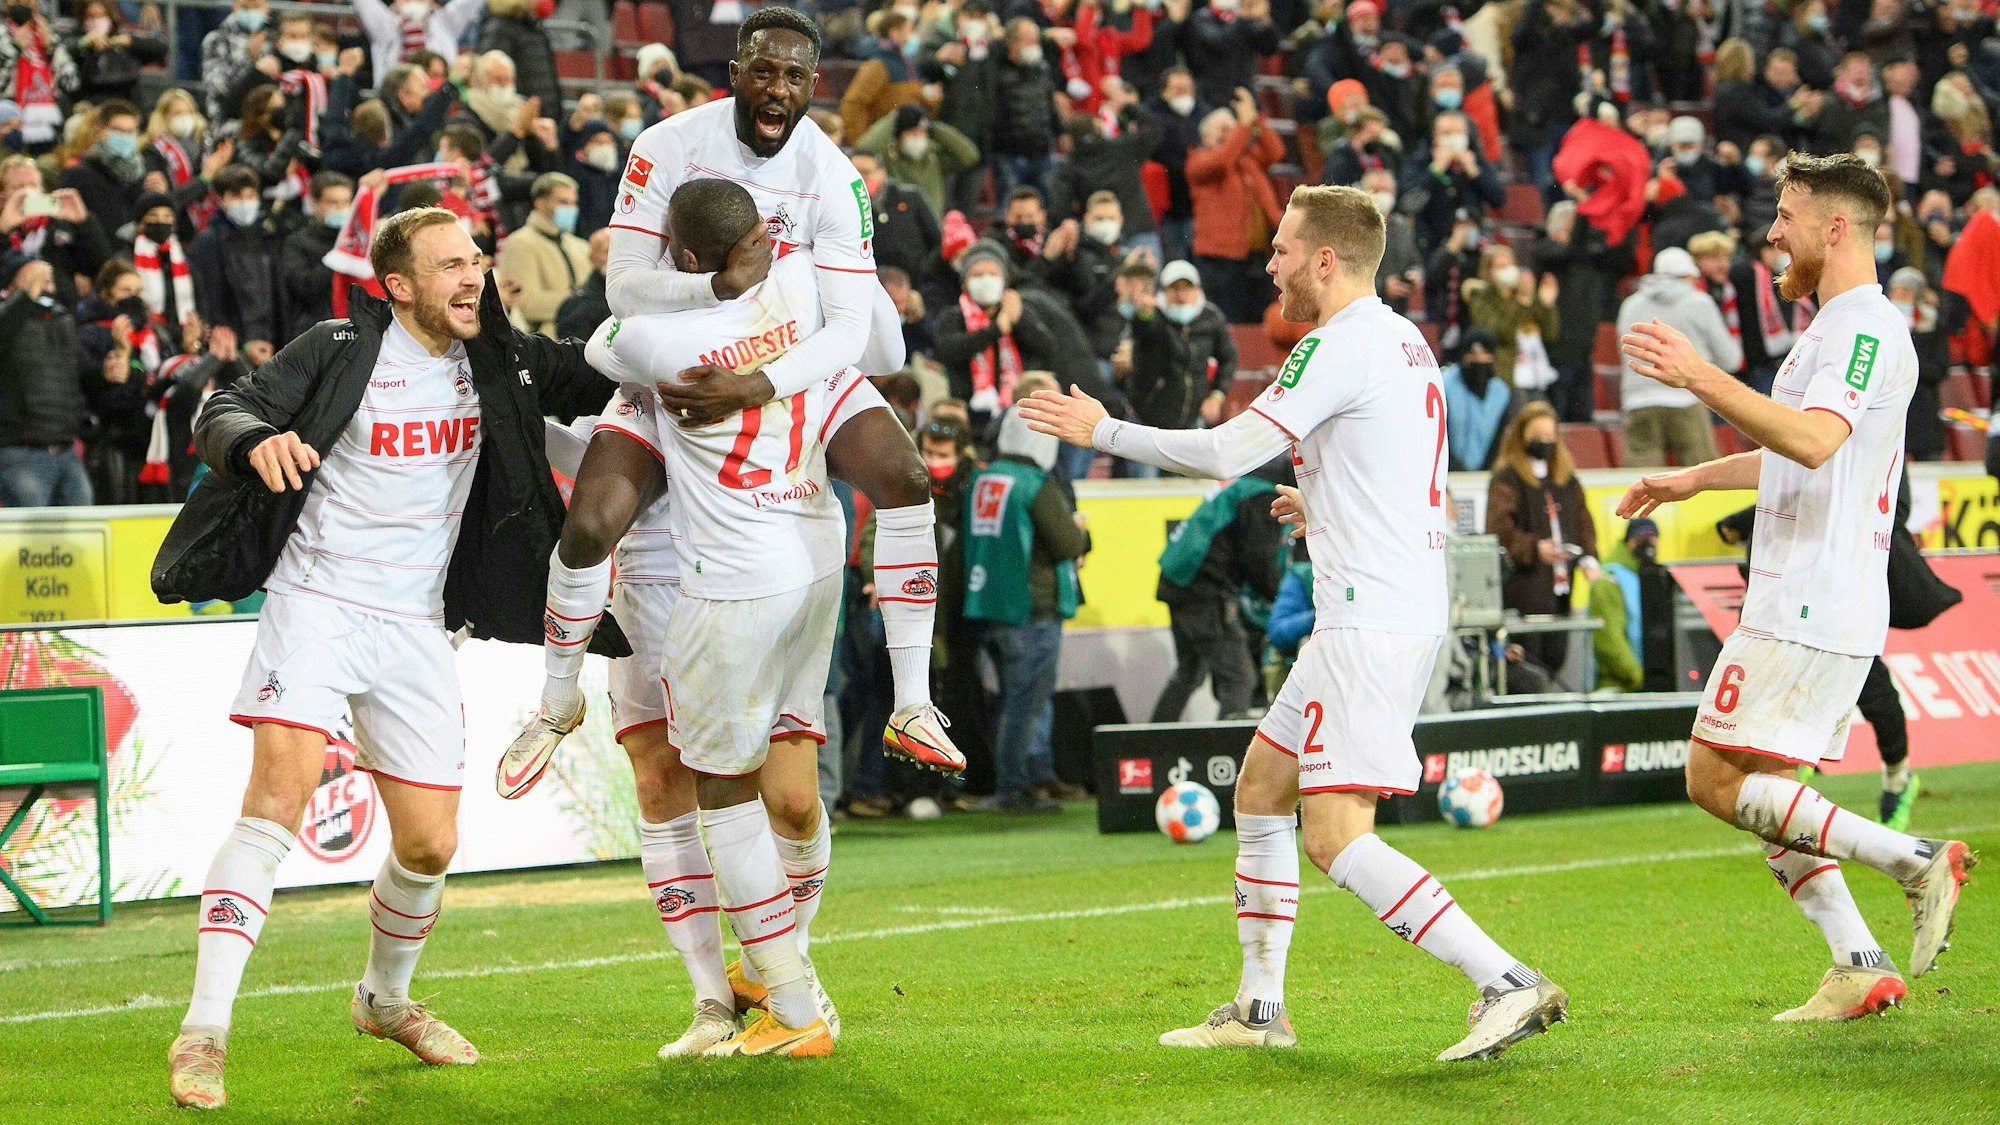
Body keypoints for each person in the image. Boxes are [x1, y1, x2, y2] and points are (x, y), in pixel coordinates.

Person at [1020, 184, 1567, 1061]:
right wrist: (1325, 504)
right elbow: (1394, 463)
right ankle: (1259, 1010)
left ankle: (1504, 978)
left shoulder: (1336, 342)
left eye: (1279, 250)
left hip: (1370, 617)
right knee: (1261, 789)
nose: (1267, 265)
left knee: (1335, 836)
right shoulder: (1404, 338)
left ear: (1324, 259)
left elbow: (1230, 448)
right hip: (1382, 598)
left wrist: (1105, 426)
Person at [157, 207, 619, 1109]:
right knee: (275, 805)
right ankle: (203, 1031)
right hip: (318, 603)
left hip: (418, 625)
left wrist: (696, 322)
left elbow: (600, 371)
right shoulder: (338, 346)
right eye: (449, 264)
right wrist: (256, 441)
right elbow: (227, 406)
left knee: (430, 841)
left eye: (476, 259)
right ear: (398, 285)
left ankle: (384, 998)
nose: (471, 276)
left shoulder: (502, 357)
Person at [510, 7, 962, 797]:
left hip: (793, 364)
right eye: (763, 70)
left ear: (814, 86)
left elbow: (854, 330)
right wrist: (713, 289)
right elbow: (620, 288)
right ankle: (556, 701)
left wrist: (759, 382)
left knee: (907, 478)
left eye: (793, 75)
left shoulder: (835, 176)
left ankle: (914, 701)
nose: (777, 87)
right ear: (736, 72)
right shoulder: (665, 146)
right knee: (590, 522)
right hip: (678, 360)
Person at [1617, 152, 1974, 1022]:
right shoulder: (1832, 330)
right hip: (1812, 590)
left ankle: (1913, 856)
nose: (1772, 232)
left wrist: (1701, 376)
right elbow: (1802, 444)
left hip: (1812, 593)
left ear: (1835, 227)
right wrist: (1695, 478)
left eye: (1786, 215)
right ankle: (1858, 962)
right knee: (1767, 791)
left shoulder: (1861, 328)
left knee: (1712, 775)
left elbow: (1814, 441)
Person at [580, 179, 897, 1057]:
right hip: (813, 559)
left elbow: (600, 336)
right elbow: (876, 330)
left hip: (726, 581)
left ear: (679, 253)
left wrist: (700, 290)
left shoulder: (656, 338)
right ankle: (744, 990)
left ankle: (790, 1001)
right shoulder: (803, 290)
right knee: (735, 787)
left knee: (729, 790)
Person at [961, 404, 1089, 813]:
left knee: (1014, 702)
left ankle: (1032, 778)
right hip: (1031, 609)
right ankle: (1013, 790)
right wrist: (1084, 532)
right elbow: (1068, 544)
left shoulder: (982, 478)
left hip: (987, 607)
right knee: (1025, 704)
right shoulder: (1035, 483)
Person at [1151, 459, 1286, 722]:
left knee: (1188, 673)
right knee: (1240, 678)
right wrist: (1282, 598)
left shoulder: (1243, 483)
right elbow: (1259, 561)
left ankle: (1149, 746)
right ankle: (1232, 755)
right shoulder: (1262, 496)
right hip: (1202, 589)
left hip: (1178, 580)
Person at [1486, 401, 1597, 677]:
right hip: (1524, 591)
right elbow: (1498, 528)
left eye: (1550, 438)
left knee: (1556, 656)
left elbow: (1583, 521)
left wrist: (1588, 556)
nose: (1544, 444)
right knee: (1530, 663)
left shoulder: (1567, 481)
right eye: (1537, 438)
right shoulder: (1507, 478)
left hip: (1561, 590)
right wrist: (1534, 549)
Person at [1617, 247, 1735, 468]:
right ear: (1688, 276)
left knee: (1643, 480)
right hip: (1687, 399)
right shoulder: (1699, 302)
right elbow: (1730, 358)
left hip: (1638, 401)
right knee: (1701, 478)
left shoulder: (1630, 305)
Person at [0, 250, 90, 506]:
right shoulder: (6, 319)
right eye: (34, 278)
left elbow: (82, 376)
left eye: (48, 280)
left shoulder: (63, 321)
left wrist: (108, 371)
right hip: (20, 451)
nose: (45, 286)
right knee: (33, 539)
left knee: (83, 532)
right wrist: (25, 298)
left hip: (66, 449)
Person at [1188, 94, 1283, 324]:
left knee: (1258, 319)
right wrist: (1243, 125)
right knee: (1229, 321)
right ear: (1206, 136)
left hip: (1257, 254)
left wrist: (1256, 121)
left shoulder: (1248, 160)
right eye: (1222, 129)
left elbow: (1275, 151)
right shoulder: (1198, 160)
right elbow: (1222, 159)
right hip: (1221, 257)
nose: (1230, 133)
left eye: (1231, 128)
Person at [187, 164, 282, 368]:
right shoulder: (206, 243)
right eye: (237, 196)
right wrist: (242, 343)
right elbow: (209, 299)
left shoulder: (269, 238)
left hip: (271, 345)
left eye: (250, 195)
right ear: (221, 199)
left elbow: (277, 296)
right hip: (230, 350)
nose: (245, 202)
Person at [496, 171, 588, 336]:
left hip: (587, 337)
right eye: (563, 202)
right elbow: (526, 303)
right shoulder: (519, 243)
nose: (571, 208)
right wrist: (583, 303)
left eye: (573, 203)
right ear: (540, 204)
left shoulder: (580, 246)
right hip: (548, 342)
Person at [280, 171, 353, 341]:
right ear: (314, 203)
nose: (341, 209)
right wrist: (337, 257)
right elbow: (304, 288)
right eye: (333, 203)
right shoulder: (297, 243)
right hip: (314, 335)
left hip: (352, 333)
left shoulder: (358, 243)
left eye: (345, 202)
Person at [1589, 517, 1657, 692]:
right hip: (1618, 686)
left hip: (1649, 684)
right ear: (1628, 541)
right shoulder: (1608, 581)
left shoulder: (1651, 577)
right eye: (1640, 539)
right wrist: (1638, 677)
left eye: (1652, 539)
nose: (1647, 544)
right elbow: (1609, 639)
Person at [353, 0, 486, 82]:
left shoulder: (444, 23)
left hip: (438, 97)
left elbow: (468, 4)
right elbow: (364, 3)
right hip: (394, 95)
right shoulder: (386, 24)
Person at [1442, 328, 1511, 471]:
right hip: (1447, 473)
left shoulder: (1501, 393)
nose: (1478, 359)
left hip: (1486, 475)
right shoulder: (1445, 384)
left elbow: (1500, 440)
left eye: (1485, 354)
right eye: (1472, 354)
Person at [554, 226, 611, 342]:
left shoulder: (632, 298)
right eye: (607, 251)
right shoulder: (576, 306)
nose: (613, 258)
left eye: (619, 252)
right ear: (592, 258)